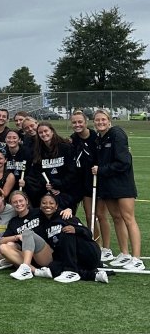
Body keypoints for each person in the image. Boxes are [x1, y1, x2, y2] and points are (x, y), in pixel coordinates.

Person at [92, 110, 144, 271]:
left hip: (122, 184)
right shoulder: (100, 138)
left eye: (103, 119)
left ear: (109, 120)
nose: (100, 122)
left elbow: (123, 163)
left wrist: (101, 170)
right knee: (116, 218)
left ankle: (137, 258)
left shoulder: (117, 134)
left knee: (128, 218)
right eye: (97, 120)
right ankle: (125, 253)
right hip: (108, 185)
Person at [30, 193, 108, 283]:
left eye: (51, 203)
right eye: (44, 203)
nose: (47, 205)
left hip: (89, 252)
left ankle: (71, 270)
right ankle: (94, 275)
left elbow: (88, 233)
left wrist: (76, 229)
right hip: (73, 258)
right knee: (54, 267)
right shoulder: (41, 223)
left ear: (56, 206)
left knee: (67, 231)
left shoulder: (64, 216)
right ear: (40, 206)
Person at [70, 110, 112, 261]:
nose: (77, 125)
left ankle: (106, 248)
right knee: (89, 216)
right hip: (81, 182)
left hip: (96, 181)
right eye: (74, 122)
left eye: (80, 122)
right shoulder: (73, 139)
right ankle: (95, 244)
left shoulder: (96, 137)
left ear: (86, 122)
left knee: (100, 215)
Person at [31, 122, 79, 210]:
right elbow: (38, 172)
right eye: (40, 132)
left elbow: (72, 172)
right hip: (49, 192)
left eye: (46, 131)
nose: (44, 134)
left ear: (52, 131)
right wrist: (48, 186)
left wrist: (59, 186)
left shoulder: (66, 148)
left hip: (66, 192)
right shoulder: (38, 151)